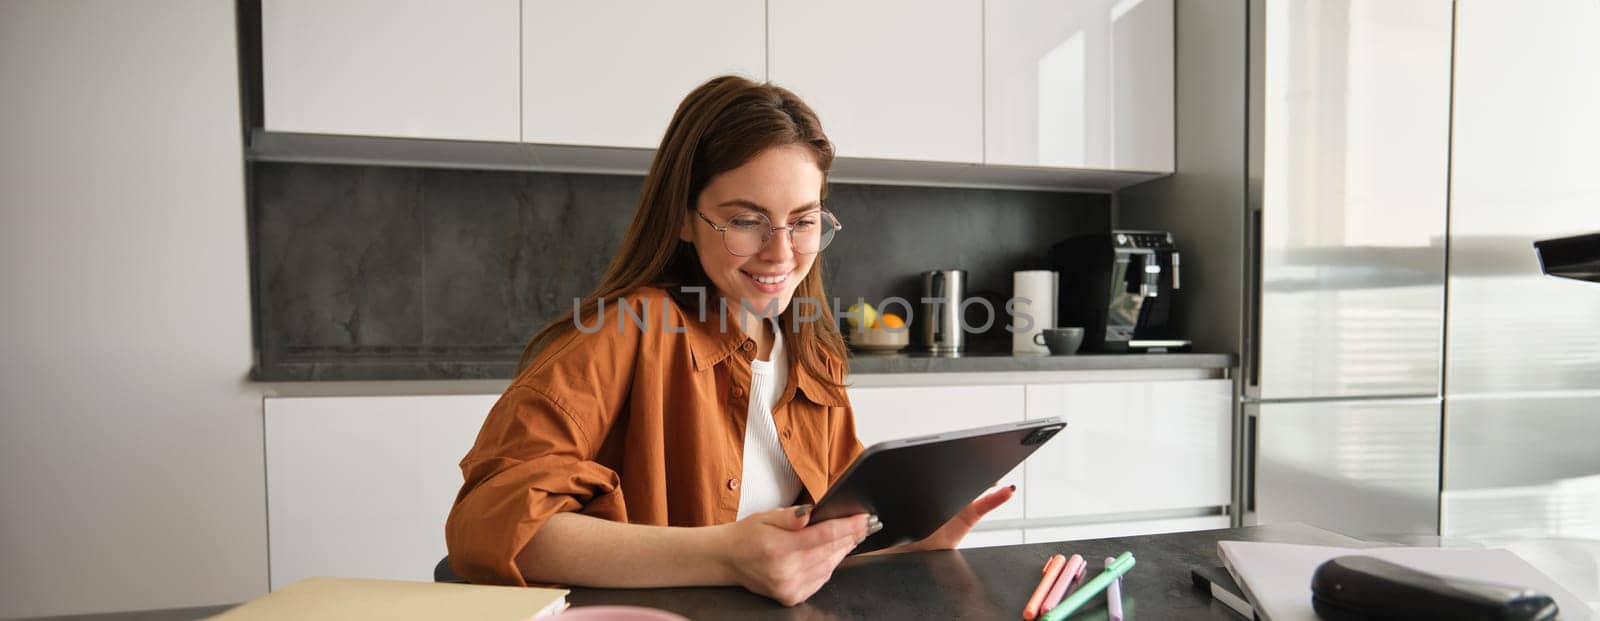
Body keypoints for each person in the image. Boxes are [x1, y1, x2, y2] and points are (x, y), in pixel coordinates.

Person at [445, 75, 1014, 607]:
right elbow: (487, 527)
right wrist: (724, 554)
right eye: (746, 221)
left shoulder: (814, 354)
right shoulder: (627, 331)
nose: (781, 252)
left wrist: (907, 544)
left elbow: (815, 545)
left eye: (804, 220)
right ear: (684, 219)